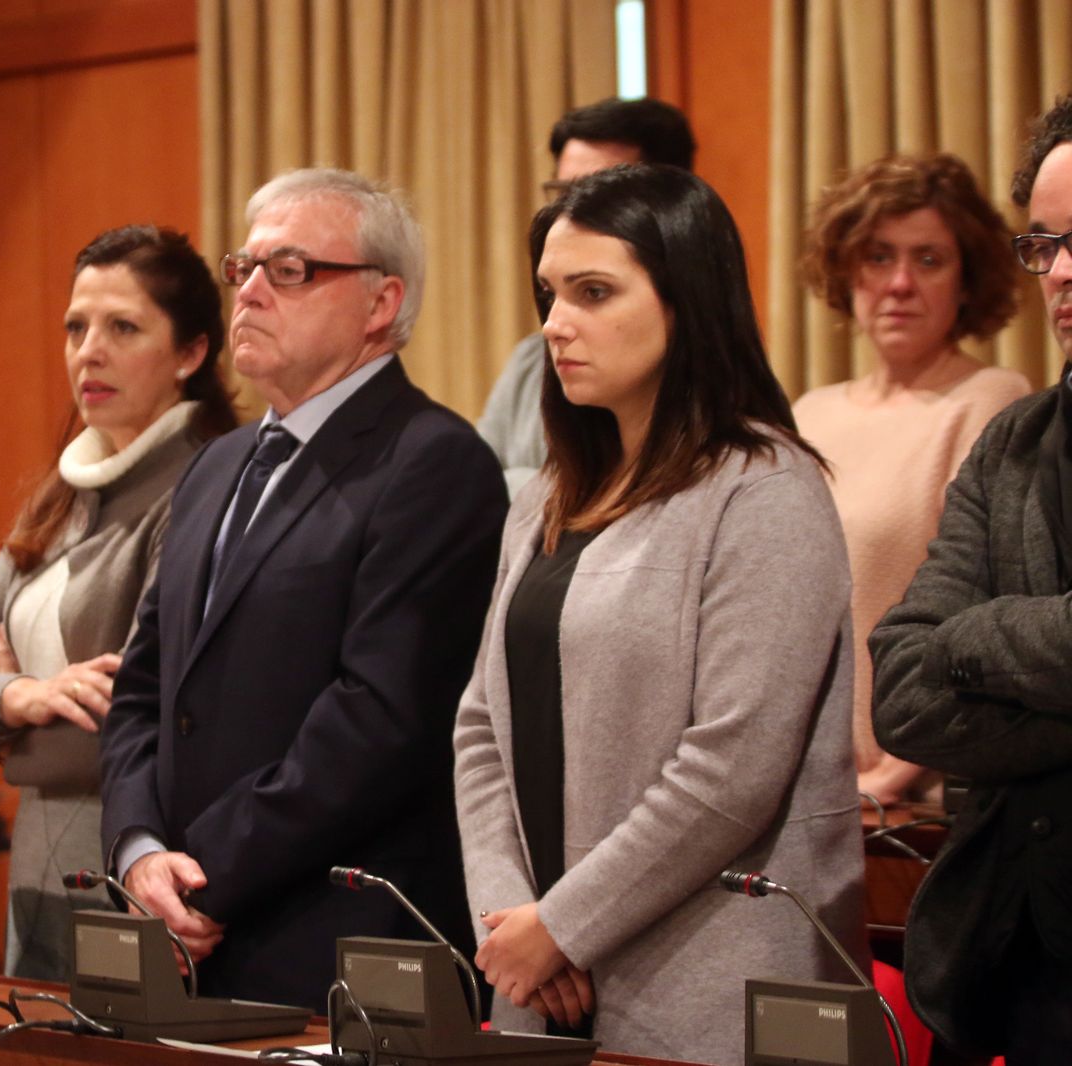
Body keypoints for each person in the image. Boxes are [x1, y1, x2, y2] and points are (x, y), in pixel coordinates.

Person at [454, 165, 867, 1065]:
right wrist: (514, 920)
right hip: (540, 974)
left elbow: (734, 765)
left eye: (594, 292)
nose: (556, 324)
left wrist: (565, 923)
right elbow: (481, 725)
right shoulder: (545, 499)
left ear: (687, 299)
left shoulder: (765, 490)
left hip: (710, 979)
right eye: (549, 294)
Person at [99, 167, 507, 1011]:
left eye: (288, 271)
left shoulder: (434, 462)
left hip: (335, 945)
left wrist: (205, 873)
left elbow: (379, 719)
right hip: (184, 935)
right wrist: (139, 850)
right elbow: (144, 686)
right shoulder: (216, 463)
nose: (248, 292)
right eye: (242, 268)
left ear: (381, 303)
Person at [0, 225, 236, 980]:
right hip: (40, 852)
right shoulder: (65, 493)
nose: (88, 350)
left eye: (122, 327)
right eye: (75, 327)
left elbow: (142, 718)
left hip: (140, 859)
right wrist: (25, 694)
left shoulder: (204, 487)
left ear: (190, 354)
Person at [870, 96, 1072, 1064]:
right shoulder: (1014, 444)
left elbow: (944, 656)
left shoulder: (983, 406)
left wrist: (981, 638)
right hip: (994, 969)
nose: (1063, 271)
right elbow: (905, 688)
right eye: (1046, 244)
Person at [794, 154, 1031, 807]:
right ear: (846, 271)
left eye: (928, 260)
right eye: (877, 257)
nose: (900, 283)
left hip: (912, 795)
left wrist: (890, 778)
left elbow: (984, 611)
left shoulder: (990, 402)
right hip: (802, 783)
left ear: (967, 280)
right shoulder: (809, 413)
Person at [479, 97, 695, 495]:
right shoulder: (531, 359)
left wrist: (523, 487)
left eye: (596, 292)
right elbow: (473, 492)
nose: (573, 210)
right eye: (563, 190)